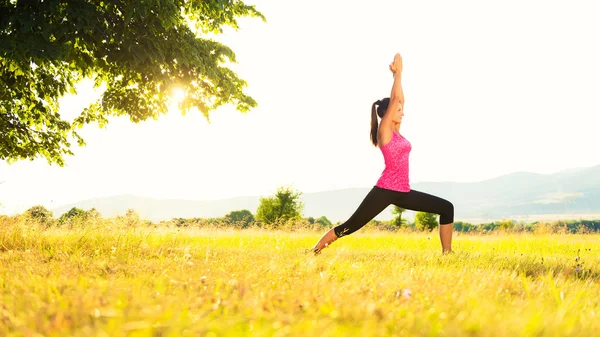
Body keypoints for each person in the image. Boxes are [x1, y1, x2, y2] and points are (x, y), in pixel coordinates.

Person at [308, 53, 454, 255]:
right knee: (349, 226)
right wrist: (398, 75)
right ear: (387, 114)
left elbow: (399, 99)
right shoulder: (384, 131)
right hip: (384, 190)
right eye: (399, 110)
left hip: (403, 192)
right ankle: (314, 251)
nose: (402, 112)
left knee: (447, 207)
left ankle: (447, 253)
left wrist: (397, 77)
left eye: (402, 109)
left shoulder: (397, 131)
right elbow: (396, 99)